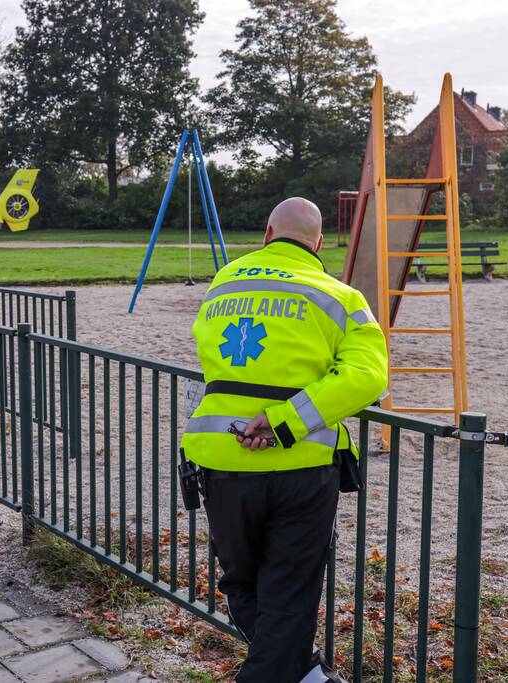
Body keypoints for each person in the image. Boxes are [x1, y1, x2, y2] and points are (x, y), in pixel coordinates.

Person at [180, 197, 388, 681]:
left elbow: (210, 354)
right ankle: (302, 675)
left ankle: (308, 675)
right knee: (289, 594)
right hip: (301, 466)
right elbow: (368, 377)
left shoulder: (223, 282)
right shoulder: (340, 296)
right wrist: (285, 421)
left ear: (267, 234)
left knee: (241, 583)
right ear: (319, 244)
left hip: (220, 458)